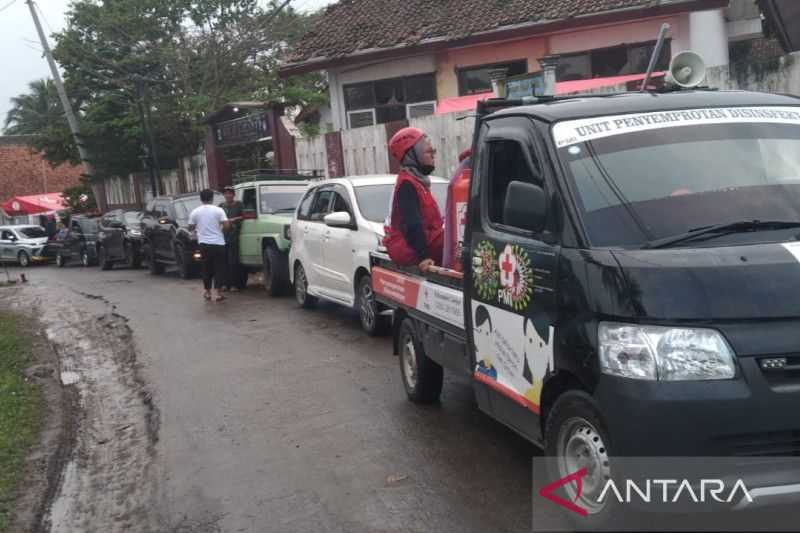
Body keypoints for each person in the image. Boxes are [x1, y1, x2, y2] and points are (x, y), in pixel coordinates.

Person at [383, 127, 444, 272]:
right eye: (428, 152)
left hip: (422, 244)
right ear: (411, 154)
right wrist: (423, 257)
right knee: (455, 239)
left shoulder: (418, 182)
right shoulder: (407, 184)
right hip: (409, 249)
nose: (433, 154)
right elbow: (412, 224)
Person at [188, 189, 231, 302]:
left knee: (206, 268)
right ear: (212, 198)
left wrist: (198, 228)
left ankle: (207, 293)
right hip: (218, 244)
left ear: (201, 199)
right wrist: (221, 231)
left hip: (204, 244)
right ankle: (218, 294)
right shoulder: (219, 210)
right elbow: (226, 225)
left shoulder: (195, 212)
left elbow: (190, 227)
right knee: (219, 268)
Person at [219, 186, 244, 292]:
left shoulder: (239, 205)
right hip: (222, 237)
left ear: (233, 194)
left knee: (233, 261)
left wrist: (233, 219)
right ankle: (225, 284)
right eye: (226, 193)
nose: (228, 195)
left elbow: (244, 215)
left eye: (230, 193)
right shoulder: (221, 206)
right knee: (223, 262)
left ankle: (234, 284)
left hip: (234, 236)